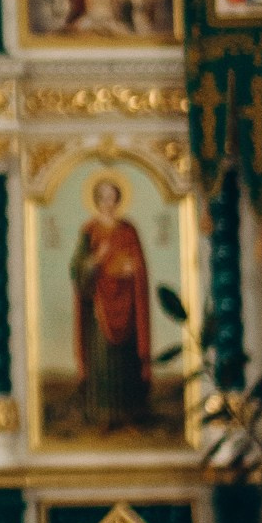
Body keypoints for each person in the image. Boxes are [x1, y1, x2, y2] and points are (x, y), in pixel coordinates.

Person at [71, 177, 153, 431]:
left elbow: (139, 267)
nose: (108, 202)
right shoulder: (89, 231)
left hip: (128, 306)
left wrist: (133, 270)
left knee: (126, 361)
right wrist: (95, 261)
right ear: (97, 200)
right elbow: (77, 269)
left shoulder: (128, 230)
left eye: (112, 197)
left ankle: (129, 414)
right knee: (103, 361)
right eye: (103, 197)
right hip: (100, 307)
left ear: (118, 199)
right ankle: (102, 415)